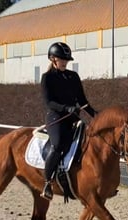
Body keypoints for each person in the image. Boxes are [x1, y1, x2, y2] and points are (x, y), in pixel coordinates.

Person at [40, 42, 98, 200]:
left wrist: (96, 115)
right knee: (58, 144)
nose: (65, 62)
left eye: (66, 60)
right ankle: (47, 182)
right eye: (61, 59)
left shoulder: (73, 77)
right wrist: (66, 108)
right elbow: (49, 102)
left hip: (73, 118)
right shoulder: (48, 78)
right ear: (53, 59)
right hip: (56, 117)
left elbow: (83, 101)